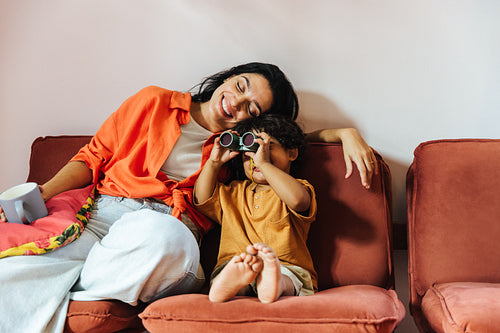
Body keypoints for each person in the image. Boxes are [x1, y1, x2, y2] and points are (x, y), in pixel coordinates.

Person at [0, 62, 377, 332]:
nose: (237, 102)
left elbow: (284, 143)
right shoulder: (154, 102)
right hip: (103, 217)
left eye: (252, 110)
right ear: (229, 76)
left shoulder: (235, 152)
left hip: (167, 231)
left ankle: (74, 279)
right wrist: (43, 191)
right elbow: (93, 156)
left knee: (160, 237)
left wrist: (344, 133)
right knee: (11, 271)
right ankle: (89, 282)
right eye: (241, 86)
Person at [194, 114, 317, 303]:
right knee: (233, 270)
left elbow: (299, 201)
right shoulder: (233, 192)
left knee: (286, 278)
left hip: (285, 266)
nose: (256, 157)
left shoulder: (295, 188)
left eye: (266, 148)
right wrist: (214, 163)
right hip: (237, 263)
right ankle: (228, 285)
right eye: (248, 154)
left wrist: (264, 164)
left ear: (292, 152)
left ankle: (274, 283)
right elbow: (201, 198)